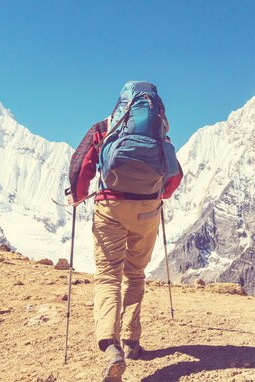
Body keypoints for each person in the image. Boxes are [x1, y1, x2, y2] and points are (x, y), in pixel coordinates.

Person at [71, 81, 182, 382]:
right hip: (147, 211)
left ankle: (111, 347)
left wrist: (78, 195)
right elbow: (174, 177)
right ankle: (132, 340)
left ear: (122, 104)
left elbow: (80, 166)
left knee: (109, 276)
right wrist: (155, 194)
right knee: (135, 274)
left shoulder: (106, 127)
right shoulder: (160, 134)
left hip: (111, 209)